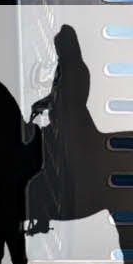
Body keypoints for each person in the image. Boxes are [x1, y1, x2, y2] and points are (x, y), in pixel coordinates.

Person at [23, 25, 94, 235]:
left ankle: (42, 220)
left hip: (66, 128)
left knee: (40, 175)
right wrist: (41, 104)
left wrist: (44, 104)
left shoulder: (75, 70)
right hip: (61, 125)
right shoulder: (66, 68)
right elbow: (57, 96)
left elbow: (66, 98)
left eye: (60, 46)